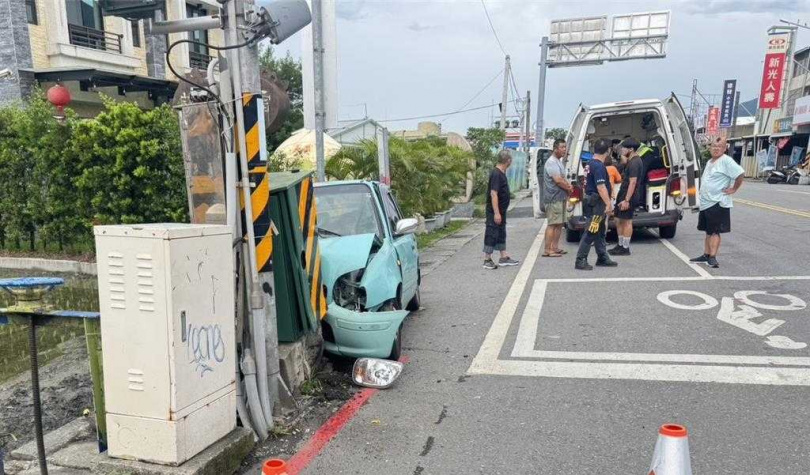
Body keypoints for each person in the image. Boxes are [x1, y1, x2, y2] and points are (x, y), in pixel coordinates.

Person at [689, 137, 745, 268]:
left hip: (717, 202)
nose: (716, 149)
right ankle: (706, 254)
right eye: (714, 146)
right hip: (706, 202)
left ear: (725, 148)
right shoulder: (710, 161)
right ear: (710, 148)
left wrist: (734, 189)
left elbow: (740, 174)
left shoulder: (726, 161)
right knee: (708, 231)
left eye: (719, 146)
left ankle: (712, 257)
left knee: (715, 231)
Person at [575, 139, 618, 270]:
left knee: (599, 231)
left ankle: (602, 256)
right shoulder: (599, 166)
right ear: (608, 151)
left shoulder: (589, 164)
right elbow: (601, 187)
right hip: (597, 203)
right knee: (591, 231)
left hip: (592, 201)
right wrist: (608, 204)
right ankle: (580, 259)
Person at [483, 150, 520, 270]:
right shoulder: (496, 174)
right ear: (508, 161)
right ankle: (487, 259)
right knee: (492, 233)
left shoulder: (501, 172)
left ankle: (503, 257)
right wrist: (497, 213)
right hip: (495, 211)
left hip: (501, 210)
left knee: (501, 233)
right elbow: (494, 194)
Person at [609, 138, 644, 256]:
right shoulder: (631, 160)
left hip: (629, 195)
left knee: (627, 221)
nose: (621, 150)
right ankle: (620, 244)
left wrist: (627, 200)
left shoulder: (635, 162)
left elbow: (633, 183)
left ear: (631, 149)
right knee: (618, 219)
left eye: (624, 148)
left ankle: (625, 247)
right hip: (623, 193)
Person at [543, 139, 573, 257]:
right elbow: (558, 180)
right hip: (553, 198)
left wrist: (568, 186)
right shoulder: (551, 162)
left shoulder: (558, 162)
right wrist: (568, 188)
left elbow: (563, 178)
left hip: (560, 197)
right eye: (562, 147)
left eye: (565, 147)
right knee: (552, 224)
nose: (564, 149)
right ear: (555, 149)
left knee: (559, 224)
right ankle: (547, 249)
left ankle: (555, 247)